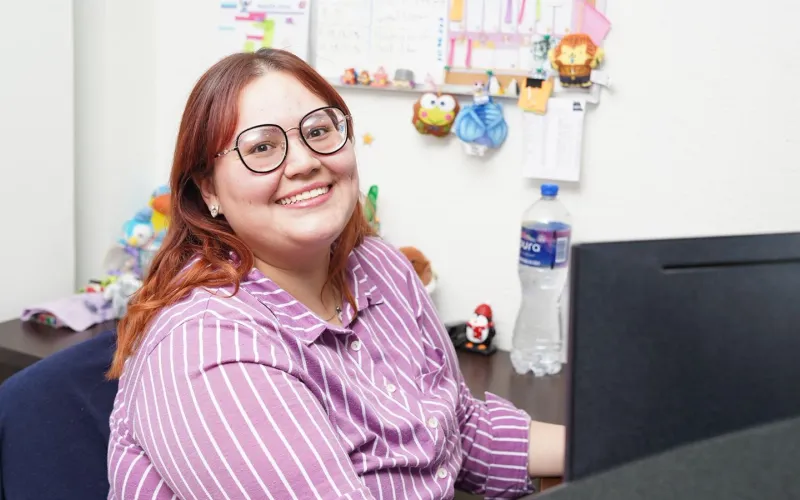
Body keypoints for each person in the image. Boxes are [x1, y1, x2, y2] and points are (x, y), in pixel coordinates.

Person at [106, 48, 565, 500]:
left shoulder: (381, 267)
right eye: (262, 147)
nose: (305, 161)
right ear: (209, 190)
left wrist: (602, 442)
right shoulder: (207, 348)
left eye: (319, 131)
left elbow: (461, 430)